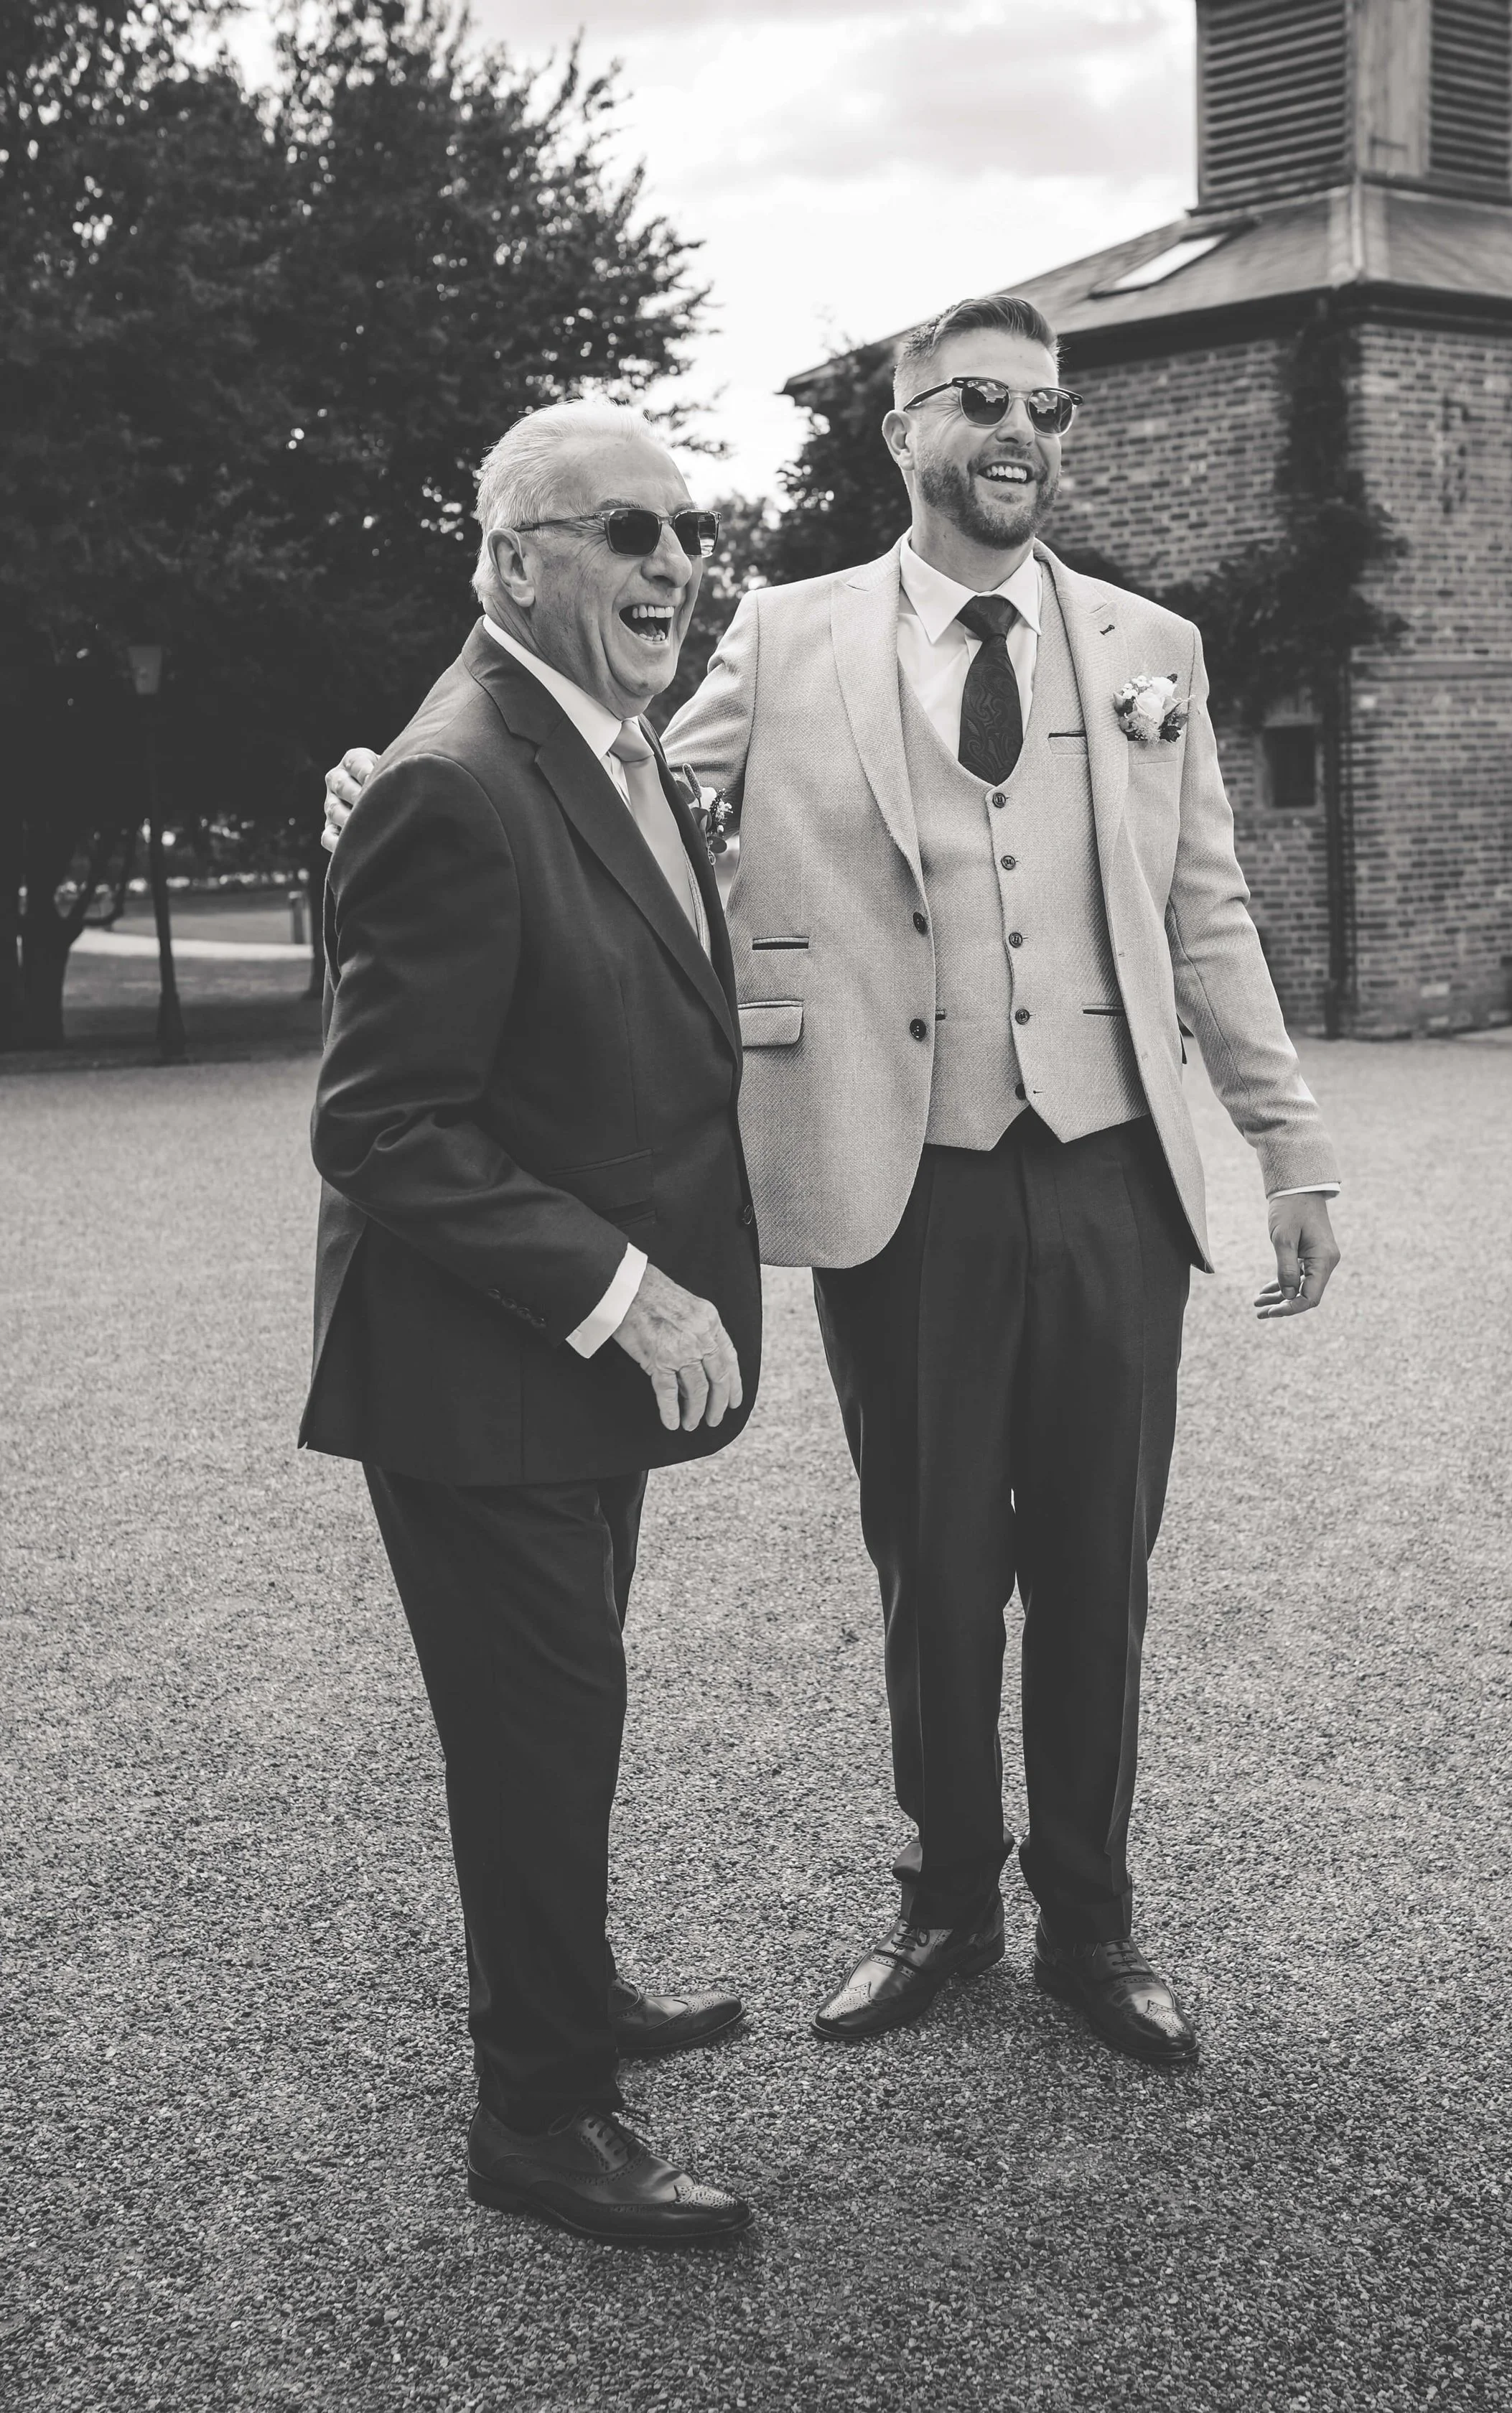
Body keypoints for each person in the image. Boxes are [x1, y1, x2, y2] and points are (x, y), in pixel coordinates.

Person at [327, 295, 1343, 2068]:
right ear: (902, 431)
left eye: (1049, 405)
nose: (1022, 432)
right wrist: (386, 775)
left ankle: (1090, 1926)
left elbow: (1209, 917)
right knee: (933, 1569)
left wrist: (1290, 1147)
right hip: (905, 1181)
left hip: (1112, 1174)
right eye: (980, 400)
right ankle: (943, 1903)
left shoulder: (1144, 644)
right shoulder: (784, 639)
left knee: (1099, 1571)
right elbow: (597, 771)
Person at [304, 399, 759, 2244]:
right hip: (479, 1379)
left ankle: (568, 1993)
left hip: (571, 1381)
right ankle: (544, 2120)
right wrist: (620, 1285)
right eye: (628, 534)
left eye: (687, 530)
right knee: (536, 1733)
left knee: (562, 1724)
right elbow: (378, 1120)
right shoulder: (456, 771)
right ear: (512, 560)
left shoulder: (613, 740)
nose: (676, 564)